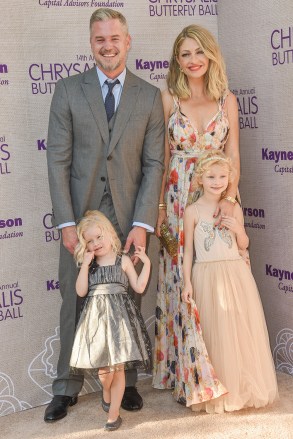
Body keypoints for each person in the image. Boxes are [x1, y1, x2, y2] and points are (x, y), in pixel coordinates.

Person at [45, 8, 165, 422]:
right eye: (100, 40)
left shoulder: (149, 96)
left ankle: (127, 383)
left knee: (128, 298)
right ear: (91, 44)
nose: (108, 46)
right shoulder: (67, 91)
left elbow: (154, 164)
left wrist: (143, 224)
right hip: (81, 221)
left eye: (115, 38)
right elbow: (58, 161)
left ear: (127, 42)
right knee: (73, 301)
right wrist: (65, 223)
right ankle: (66, 386)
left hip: (130, 217)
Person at [153, 24, 240, 404]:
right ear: (177, 59)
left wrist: (230, 199)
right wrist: (158, 207)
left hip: (219, 198)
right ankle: (186, 375)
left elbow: (233, 154)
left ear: (211, 55)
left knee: (220, 277)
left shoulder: (228, 101)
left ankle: (223, 368)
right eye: (185, 54)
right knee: (181, 281)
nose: (193, 60)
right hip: (176, 201)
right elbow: (162, 158)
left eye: (199, 52)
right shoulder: (169, 98)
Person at [182, 151, 279, 413]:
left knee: (238, 331)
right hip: (206, 274)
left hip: (236, 274)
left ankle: (242, 388)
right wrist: (187, 282)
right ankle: (216, 389)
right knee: (215, 333)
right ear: (200, 178)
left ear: (229, 178)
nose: (217, 181)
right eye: (211, 176)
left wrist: (238, 230)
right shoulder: (192, 211)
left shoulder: (234, 207)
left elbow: (243, 244)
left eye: (223, 176)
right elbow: (188, 251)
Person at [69, 211, 152, 431]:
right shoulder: (90, 264)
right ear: (85, 245)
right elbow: (80, 291)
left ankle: (113, 415)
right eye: (90, 240)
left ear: (109, 234)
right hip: (97, 322)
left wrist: (147, 264)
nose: (96, 243)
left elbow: (139, 287)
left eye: (99, 236)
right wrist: (85, 265)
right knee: (106, 375)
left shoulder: (122, 260)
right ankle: (105, 392)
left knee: (119, 369)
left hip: (121, 321)